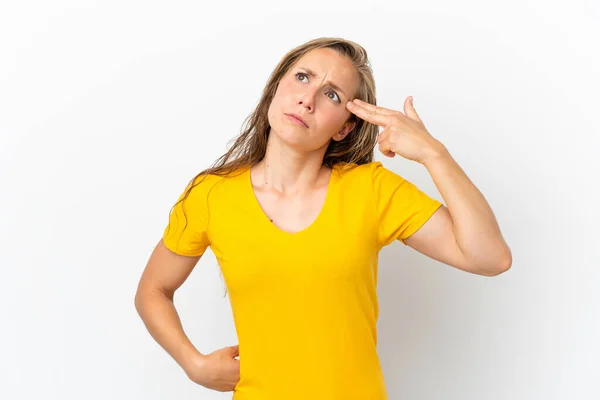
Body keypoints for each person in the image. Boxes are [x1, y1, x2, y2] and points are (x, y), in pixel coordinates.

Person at [134, 37, 512, 399]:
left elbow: (490, 257)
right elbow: (152, 291)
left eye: (332, 95)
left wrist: (434, 154)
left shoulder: (372, 190)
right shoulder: (212, 194)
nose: (308, 99)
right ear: (276, 87)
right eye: (303, 77)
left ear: (345, 126)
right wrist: (193, 363)